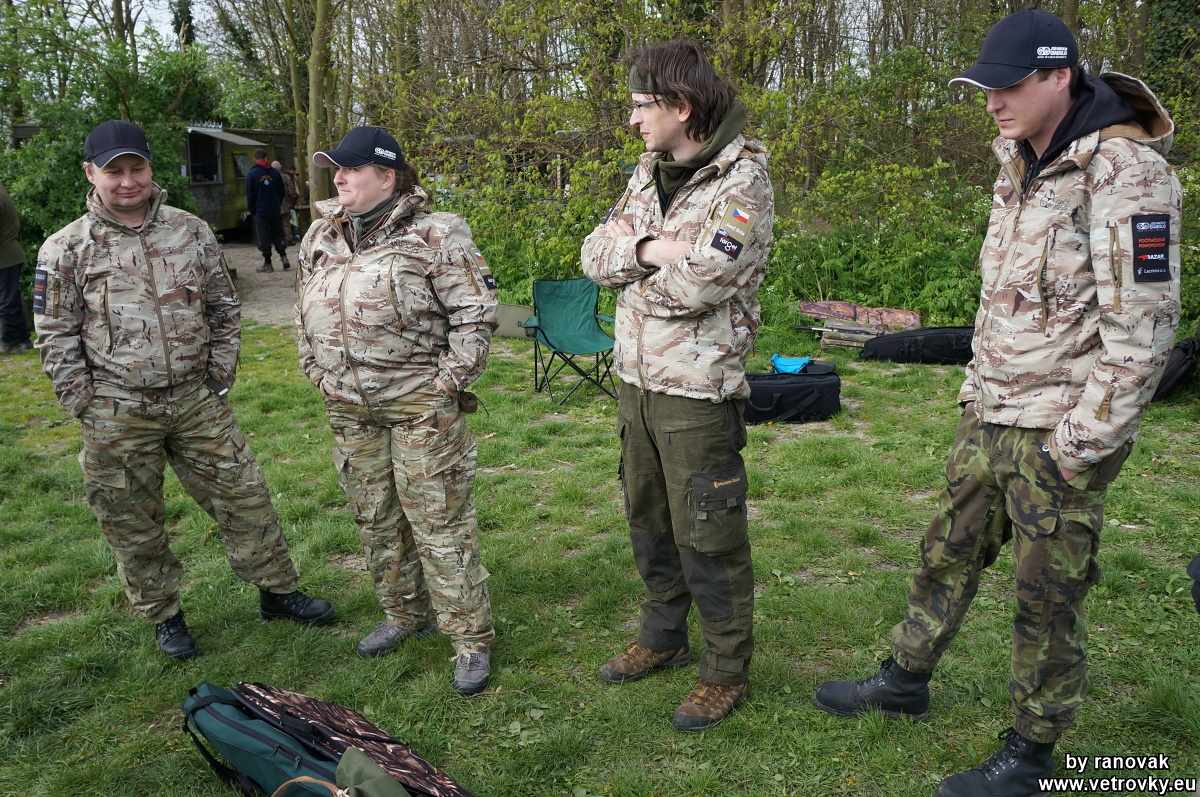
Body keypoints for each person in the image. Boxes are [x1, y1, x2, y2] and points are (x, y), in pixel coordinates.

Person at [811, 10, 1181, 796]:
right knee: (945, 549)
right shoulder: (1018, 161)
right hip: (991, 412)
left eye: (1007, 86)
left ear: (1059, 76)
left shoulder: (1126, 173)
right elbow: (1005, 298)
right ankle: (905, 678)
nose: (991, 102)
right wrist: (976, 390)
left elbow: (1144, 333)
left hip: (1061, 430)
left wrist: (1078, 445)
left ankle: (1032, 753)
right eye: (984, 88)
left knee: (1047, 596)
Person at [34, 120, 335, 661]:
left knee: (246, 497)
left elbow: (223, 305)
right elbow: (55, 333)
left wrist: (219, 374)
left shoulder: (190, 230)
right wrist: (84, 401)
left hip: (197, 400)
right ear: (91, 174)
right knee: (132, 519)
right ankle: (164, 615)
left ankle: (278, 591)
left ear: (151, 168)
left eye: (137, 168)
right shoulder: (66, 248)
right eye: (115, 172)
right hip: (117, 410)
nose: (128, 181)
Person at [580, 40, 774, 732]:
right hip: (635, 380)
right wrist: (650, 250)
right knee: (649, 518)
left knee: (708, 533)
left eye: (642, 105)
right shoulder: (648, 172)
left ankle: (725, 669)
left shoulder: (741, 183)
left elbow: (702, 286)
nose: (632, 119)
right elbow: (593, 255)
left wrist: (634, 273)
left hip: (696, 390)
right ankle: (662, 634)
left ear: (682, 107)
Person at [297, 126, 498, 695]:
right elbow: (301, 309)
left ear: (386, 176)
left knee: (440, 524)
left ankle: (470, 640)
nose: (338, 178)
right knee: (377, 519)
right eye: (335, 169)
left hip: (419, 407)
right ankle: (404, 614)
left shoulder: (436, 233)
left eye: (350, 169)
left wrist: (446, 384)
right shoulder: (321, 235)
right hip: (348, 410)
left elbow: (476, 313)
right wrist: (316, 372)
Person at [0, 179, 32, 354]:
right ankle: (22, 340)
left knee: (7, 301)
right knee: (10, 299)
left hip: (5, 255)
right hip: (8, 254)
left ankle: (10, 343)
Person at [245, 148, 289, 273]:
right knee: (278, 233)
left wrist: (252, 210)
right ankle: (284, 257)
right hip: (275, 209)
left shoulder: (251, 174)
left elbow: (250, 195)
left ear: (254, 159)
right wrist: (277, 203)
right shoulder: (275, 173)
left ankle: (268, 263)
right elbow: (282, 191)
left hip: (260, 210)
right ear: (266, 158)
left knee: (264, 237)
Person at [273, 160, 301, 245]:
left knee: (275, 223)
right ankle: (287, 239)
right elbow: (291, 192)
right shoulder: (285, 177)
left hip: (272, 205)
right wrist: (295, 198)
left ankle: (278, 240)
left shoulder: (268, 177)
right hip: (285, 205)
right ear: (280, 167)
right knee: (285, 223)